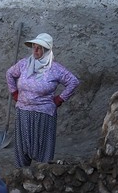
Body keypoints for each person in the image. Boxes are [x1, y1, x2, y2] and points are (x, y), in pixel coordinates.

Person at [5, 32, 79, 168]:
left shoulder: (55, 69)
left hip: (44, 114)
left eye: (39, 48)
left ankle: (43, 173)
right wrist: (14, 93)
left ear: (47, 50)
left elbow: (73, 81)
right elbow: (9, 74)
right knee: (22, 146)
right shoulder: (24, 64)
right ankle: (22, 172)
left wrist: (60, 99)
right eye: (34, 47)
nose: (35, 50)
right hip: (23, 112)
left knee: (43, 148)